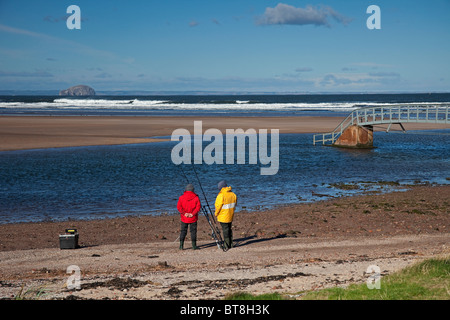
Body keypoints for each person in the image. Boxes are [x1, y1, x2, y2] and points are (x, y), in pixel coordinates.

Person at [214, 180, 237, 250]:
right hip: (230, 214)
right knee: (229, 229)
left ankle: (226, 245)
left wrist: (216, 213)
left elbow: (218, 206)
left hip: (223, 216)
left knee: (225, 230)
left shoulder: (221, 195)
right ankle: (231, 243)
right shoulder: (233, 194)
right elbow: (235, 204)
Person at [177, 184, 201, 250]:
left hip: (184, 218)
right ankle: (194, 246)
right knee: (193, 232)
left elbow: (179, 207)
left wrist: (184, 213)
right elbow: (198, 207)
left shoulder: (181, 197)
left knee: (183, 231)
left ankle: (181, 246)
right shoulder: (196, 197)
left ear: (186, 190)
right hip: (193, 217)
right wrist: (193, 214)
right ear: (193, 190)